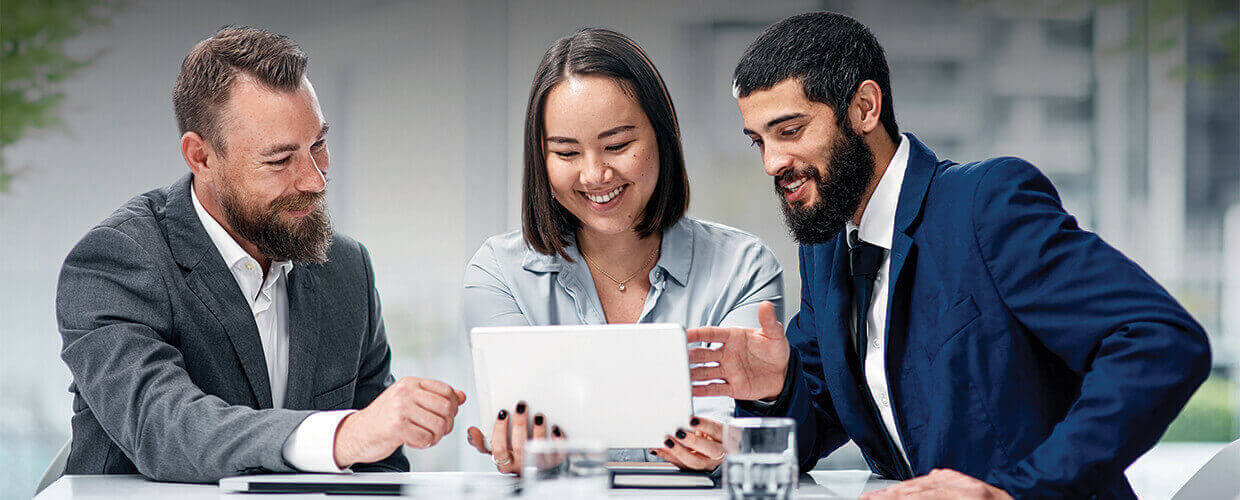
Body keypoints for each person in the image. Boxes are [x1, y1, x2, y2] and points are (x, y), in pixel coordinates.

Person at [688, 12, 1211, 499]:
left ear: (864, 108)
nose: (772, 162)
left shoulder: (985, 204)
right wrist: (775, 390)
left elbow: (1160, 339)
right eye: (758, 141)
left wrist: (1019, 490)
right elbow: (820, 422)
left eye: (790, 131)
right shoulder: (826, 250)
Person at [55, 27, 466, 483]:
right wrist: (342, 434)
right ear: (202, 157)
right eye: (280, 160)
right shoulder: (116, 262)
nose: (315, 180)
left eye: (318, 146)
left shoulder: (346, 270)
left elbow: (379, 465)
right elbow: (165, 427)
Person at [461, 28, 784, 474]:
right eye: (567, 152)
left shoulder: (743, 268)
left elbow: (744, 431)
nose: (595, 175)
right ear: (541, 158)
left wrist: (732, 443)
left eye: (617, 146)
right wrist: (522, 448)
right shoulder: (499, 272)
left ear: (662, 139)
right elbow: (518, 423)